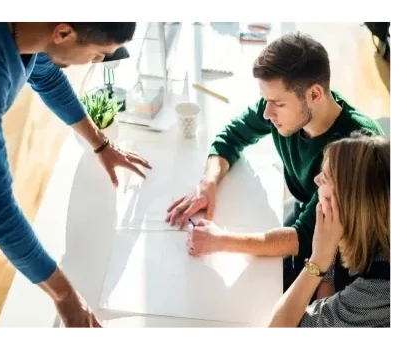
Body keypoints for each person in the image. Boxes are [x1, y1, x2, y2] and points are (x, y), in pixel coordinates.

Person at [0, 18, 151, 328]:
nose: (98, 60)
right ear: (64, 33)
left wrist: (101, 145)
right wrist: (65, 296)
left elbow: (46, 75)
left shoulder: (30, 27)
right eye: (99, 53)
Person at [166, 32, 384, 293]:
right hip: (307, 211)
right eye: (265, 100)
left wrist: (221, 241)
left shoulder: (351, 150)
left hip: (352, 251)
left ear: (315, 94)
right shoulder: (288, 109)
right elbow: (231, 136)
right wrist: (208, 181)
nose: (267, 113)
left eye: (277, 104)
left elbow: (305, 238)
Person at [268, 132, 391, 328]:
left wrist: (318, 260)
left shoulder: (381, 284)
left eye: (325, 179)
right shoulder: (351, 226)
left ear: (350, 203)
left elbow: (279, 325)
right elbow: (327, 288)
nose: (316, 179)